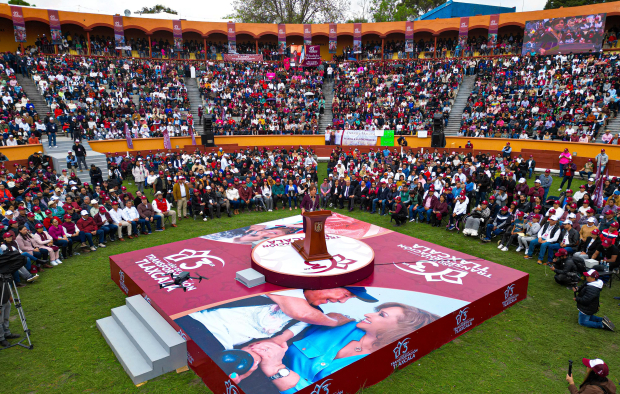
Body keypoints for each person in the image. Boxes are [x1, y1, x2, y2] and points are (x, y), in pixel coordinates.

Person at [249, 302, 439, 393]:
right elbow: (297, 323)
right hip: (253, 379)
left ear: (400, 329)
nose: (368, 314)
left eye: (382, 315)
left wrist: (276, 369)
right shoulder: (343, 324)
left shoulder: (385, 363)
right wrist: (278, 339)